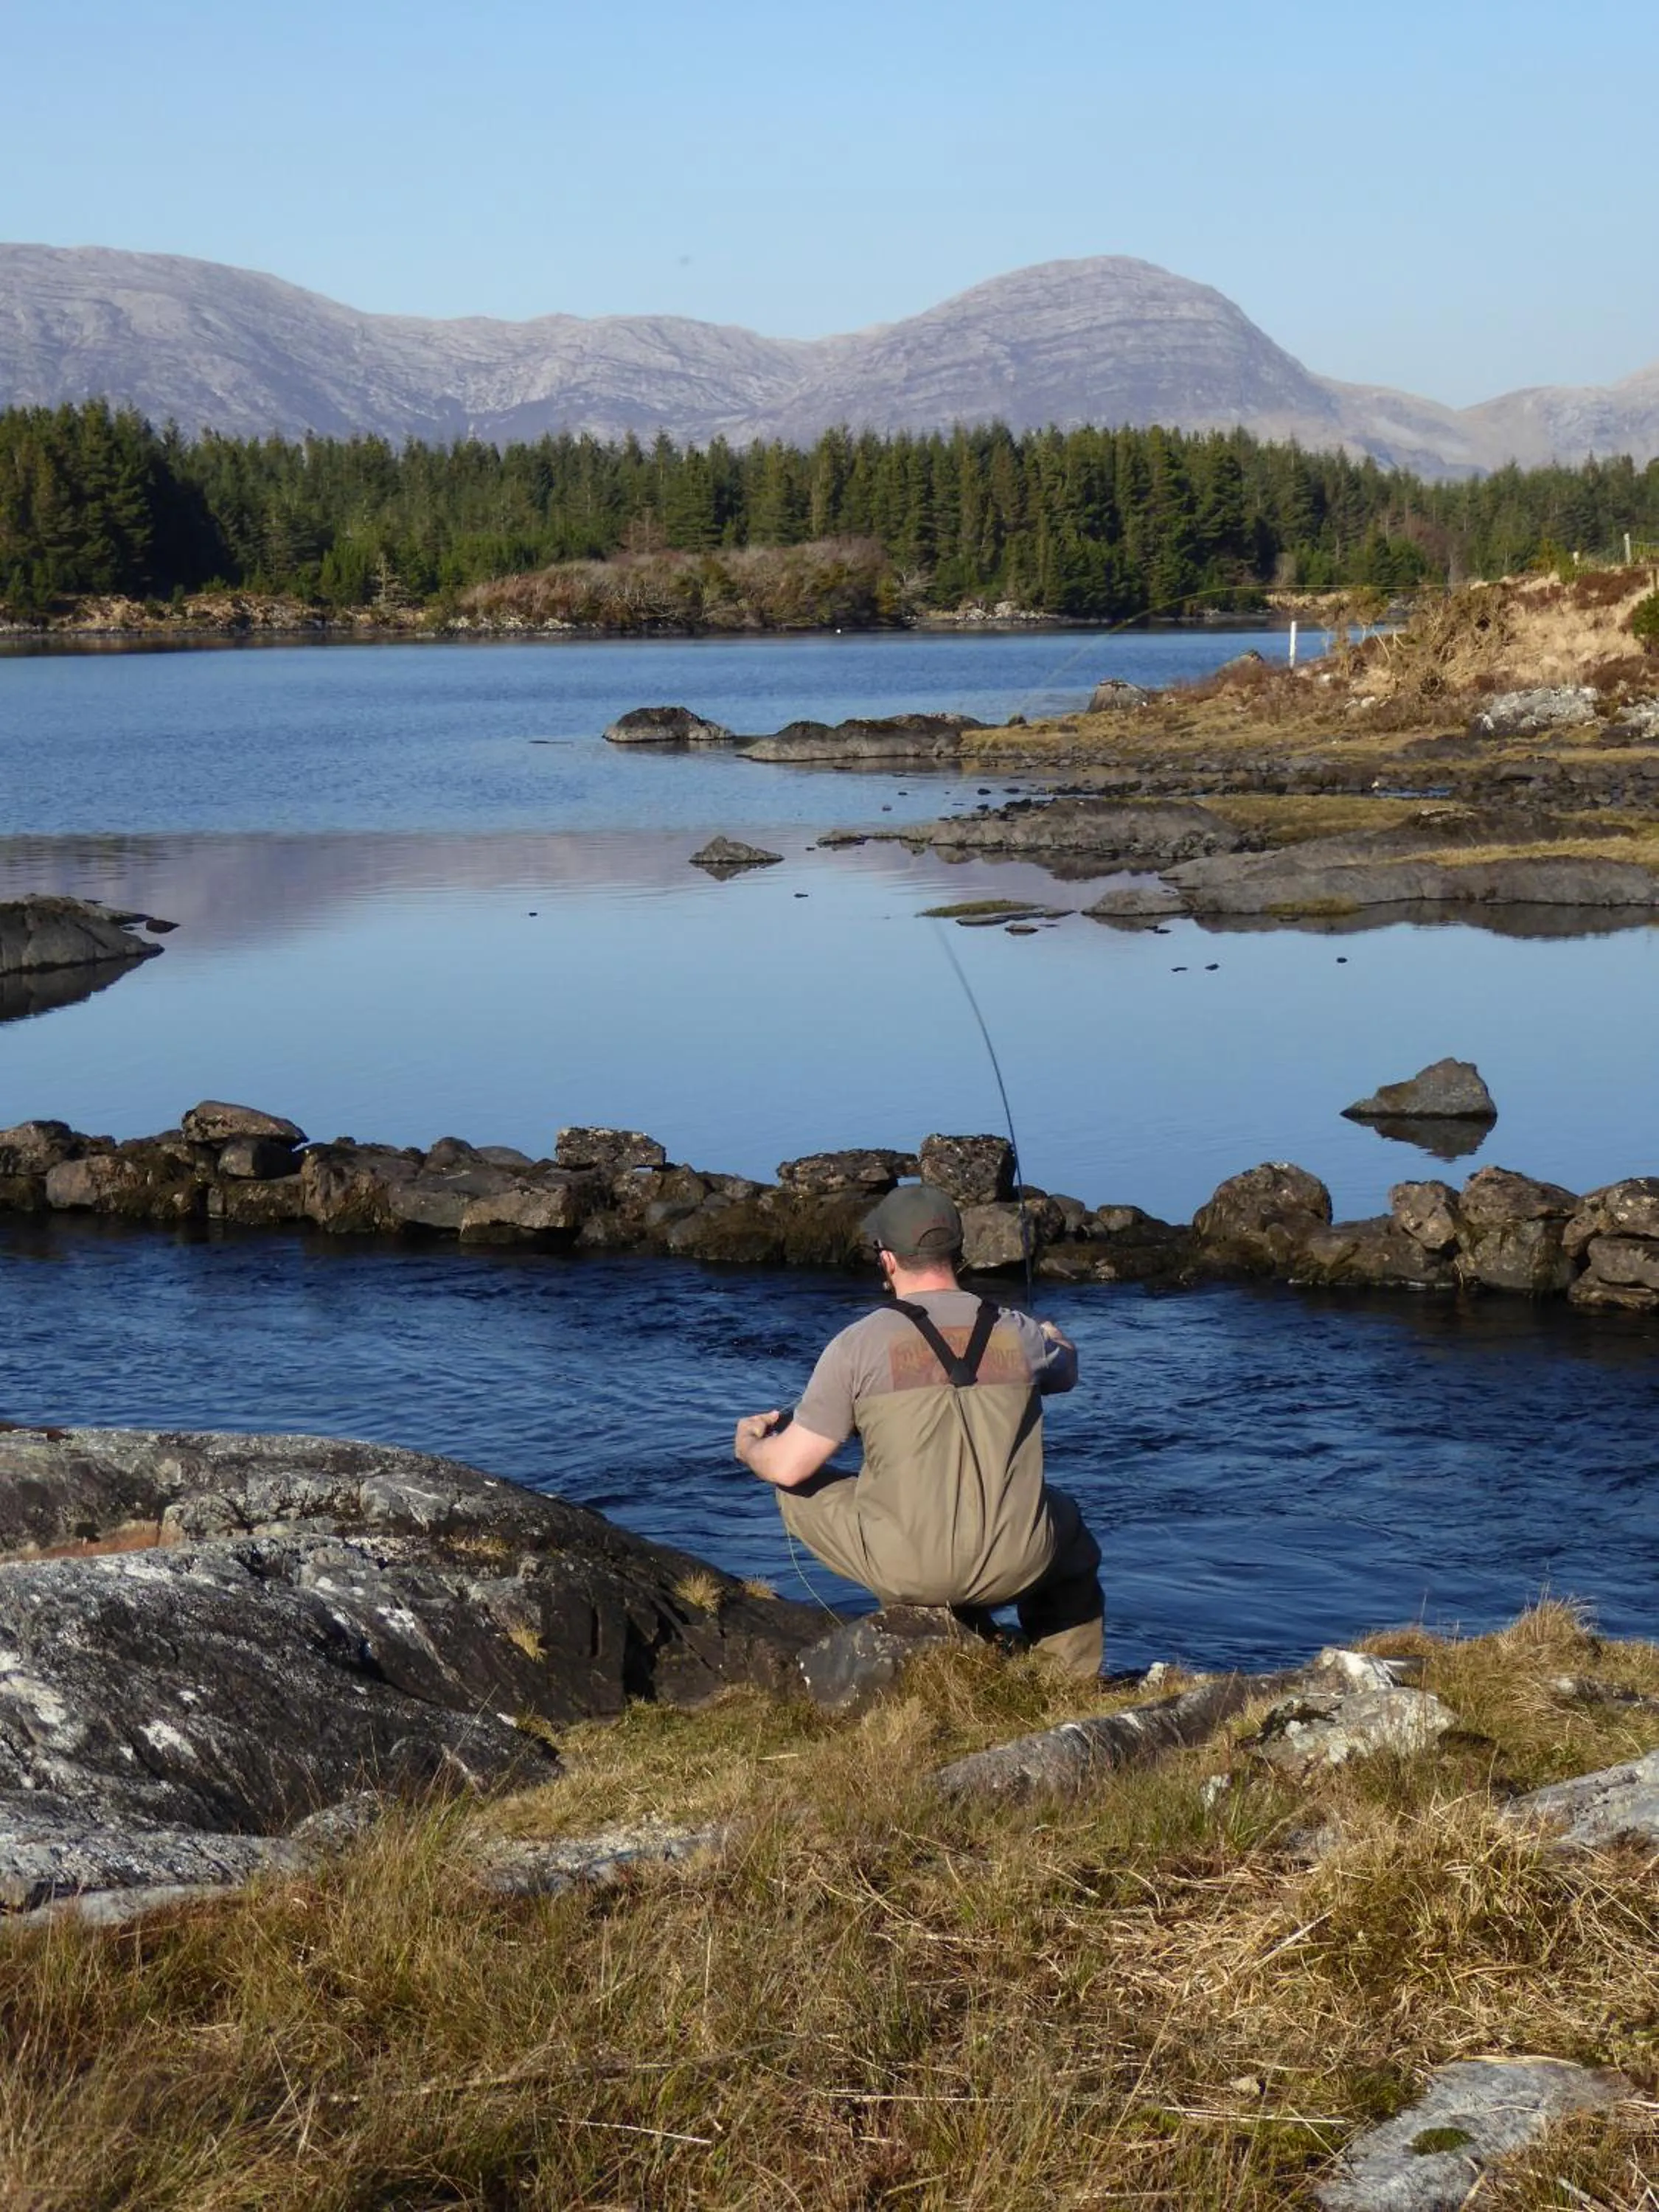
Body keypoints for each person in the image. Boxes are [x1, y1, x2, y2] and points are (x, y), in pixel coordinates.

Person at [732, 1183, 1104, 1676]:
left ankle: (937, 1630)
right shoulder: (1020, 1333)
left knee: (793, 1488)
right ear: (958, 1251)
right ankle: (1066, 1681)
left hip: (909, 1569)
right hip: (1018, 1558)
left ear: (887, 1260)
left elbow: (790, 1465)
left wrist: (751, 1447)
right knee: (1068, 1525)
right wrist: (1052, 1337)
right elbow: (1068, 1372)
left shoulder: (855, 1346)